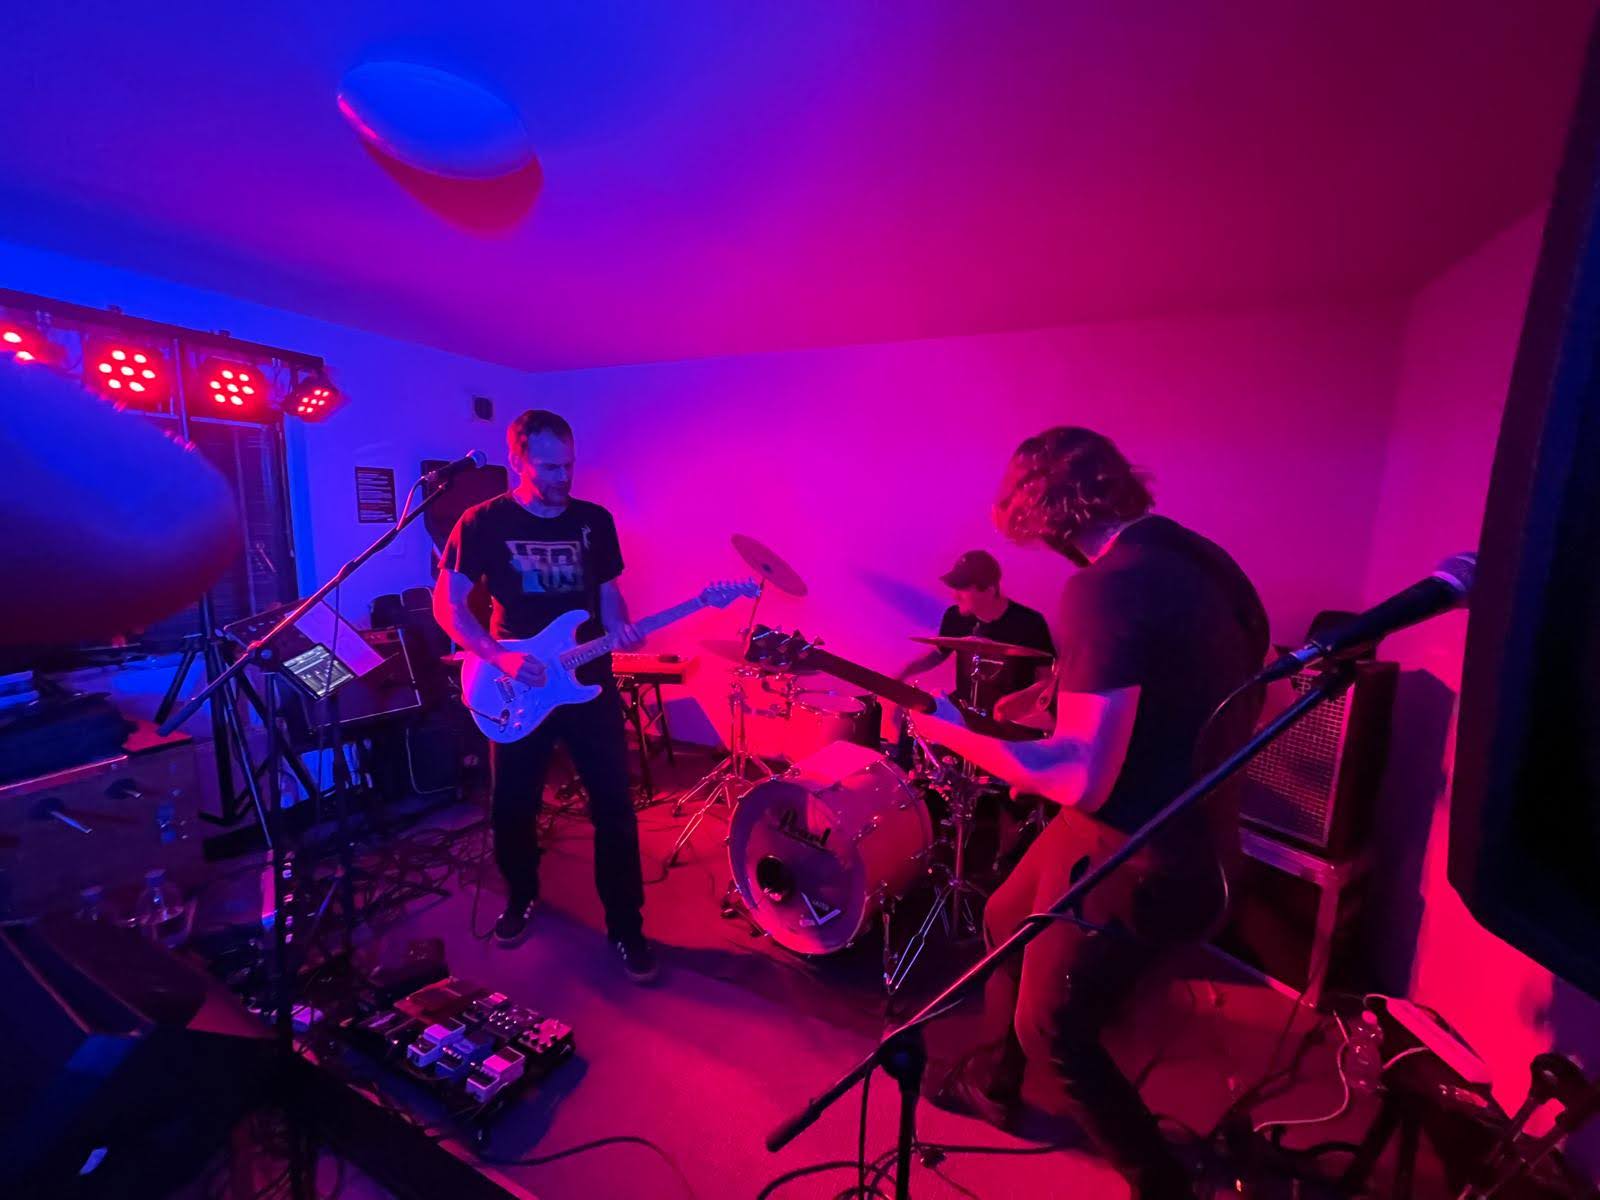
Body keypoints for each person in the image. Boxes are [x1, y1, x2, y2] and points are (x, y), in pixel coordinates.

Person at [918, 427, 1269, 1199]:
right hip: (1201, 826)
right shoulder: (1203, 559)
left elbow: (1078, 775)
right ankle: (995, 1080)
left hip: (1142, 849)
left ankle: (1160, 1183)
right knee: (1005, 915)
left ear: (1037, 516)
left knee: (1054, 1030)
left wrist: (951, 734)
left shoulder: (1102, 589)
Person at [432, 410, 657, 983]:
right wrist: (498, 655)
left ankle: (626, 924)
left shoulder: (594, 521)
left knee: (614, 807)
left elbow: (608, 594)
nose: (563, 477)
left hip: (587, 681)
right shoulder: (482, 522)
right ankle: (521, 895)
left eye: (569, 466)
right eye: (550, 467)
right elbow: (448, 606)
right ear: (518, 460)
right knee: (512, 806)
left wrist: (620, 626)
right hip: (518, 684)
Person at [895, 549, 1054, 715]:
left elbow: (1047, 679)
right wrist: (904, 672)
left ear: (990, 590)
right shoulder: (955, 616)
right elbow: (938, 654)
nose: (955, 596)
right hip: (964, 708)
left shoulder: (1030, 622)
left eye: (963, 588)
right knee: (918, 713)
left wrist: (1018, 702)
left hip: (1009, 715)